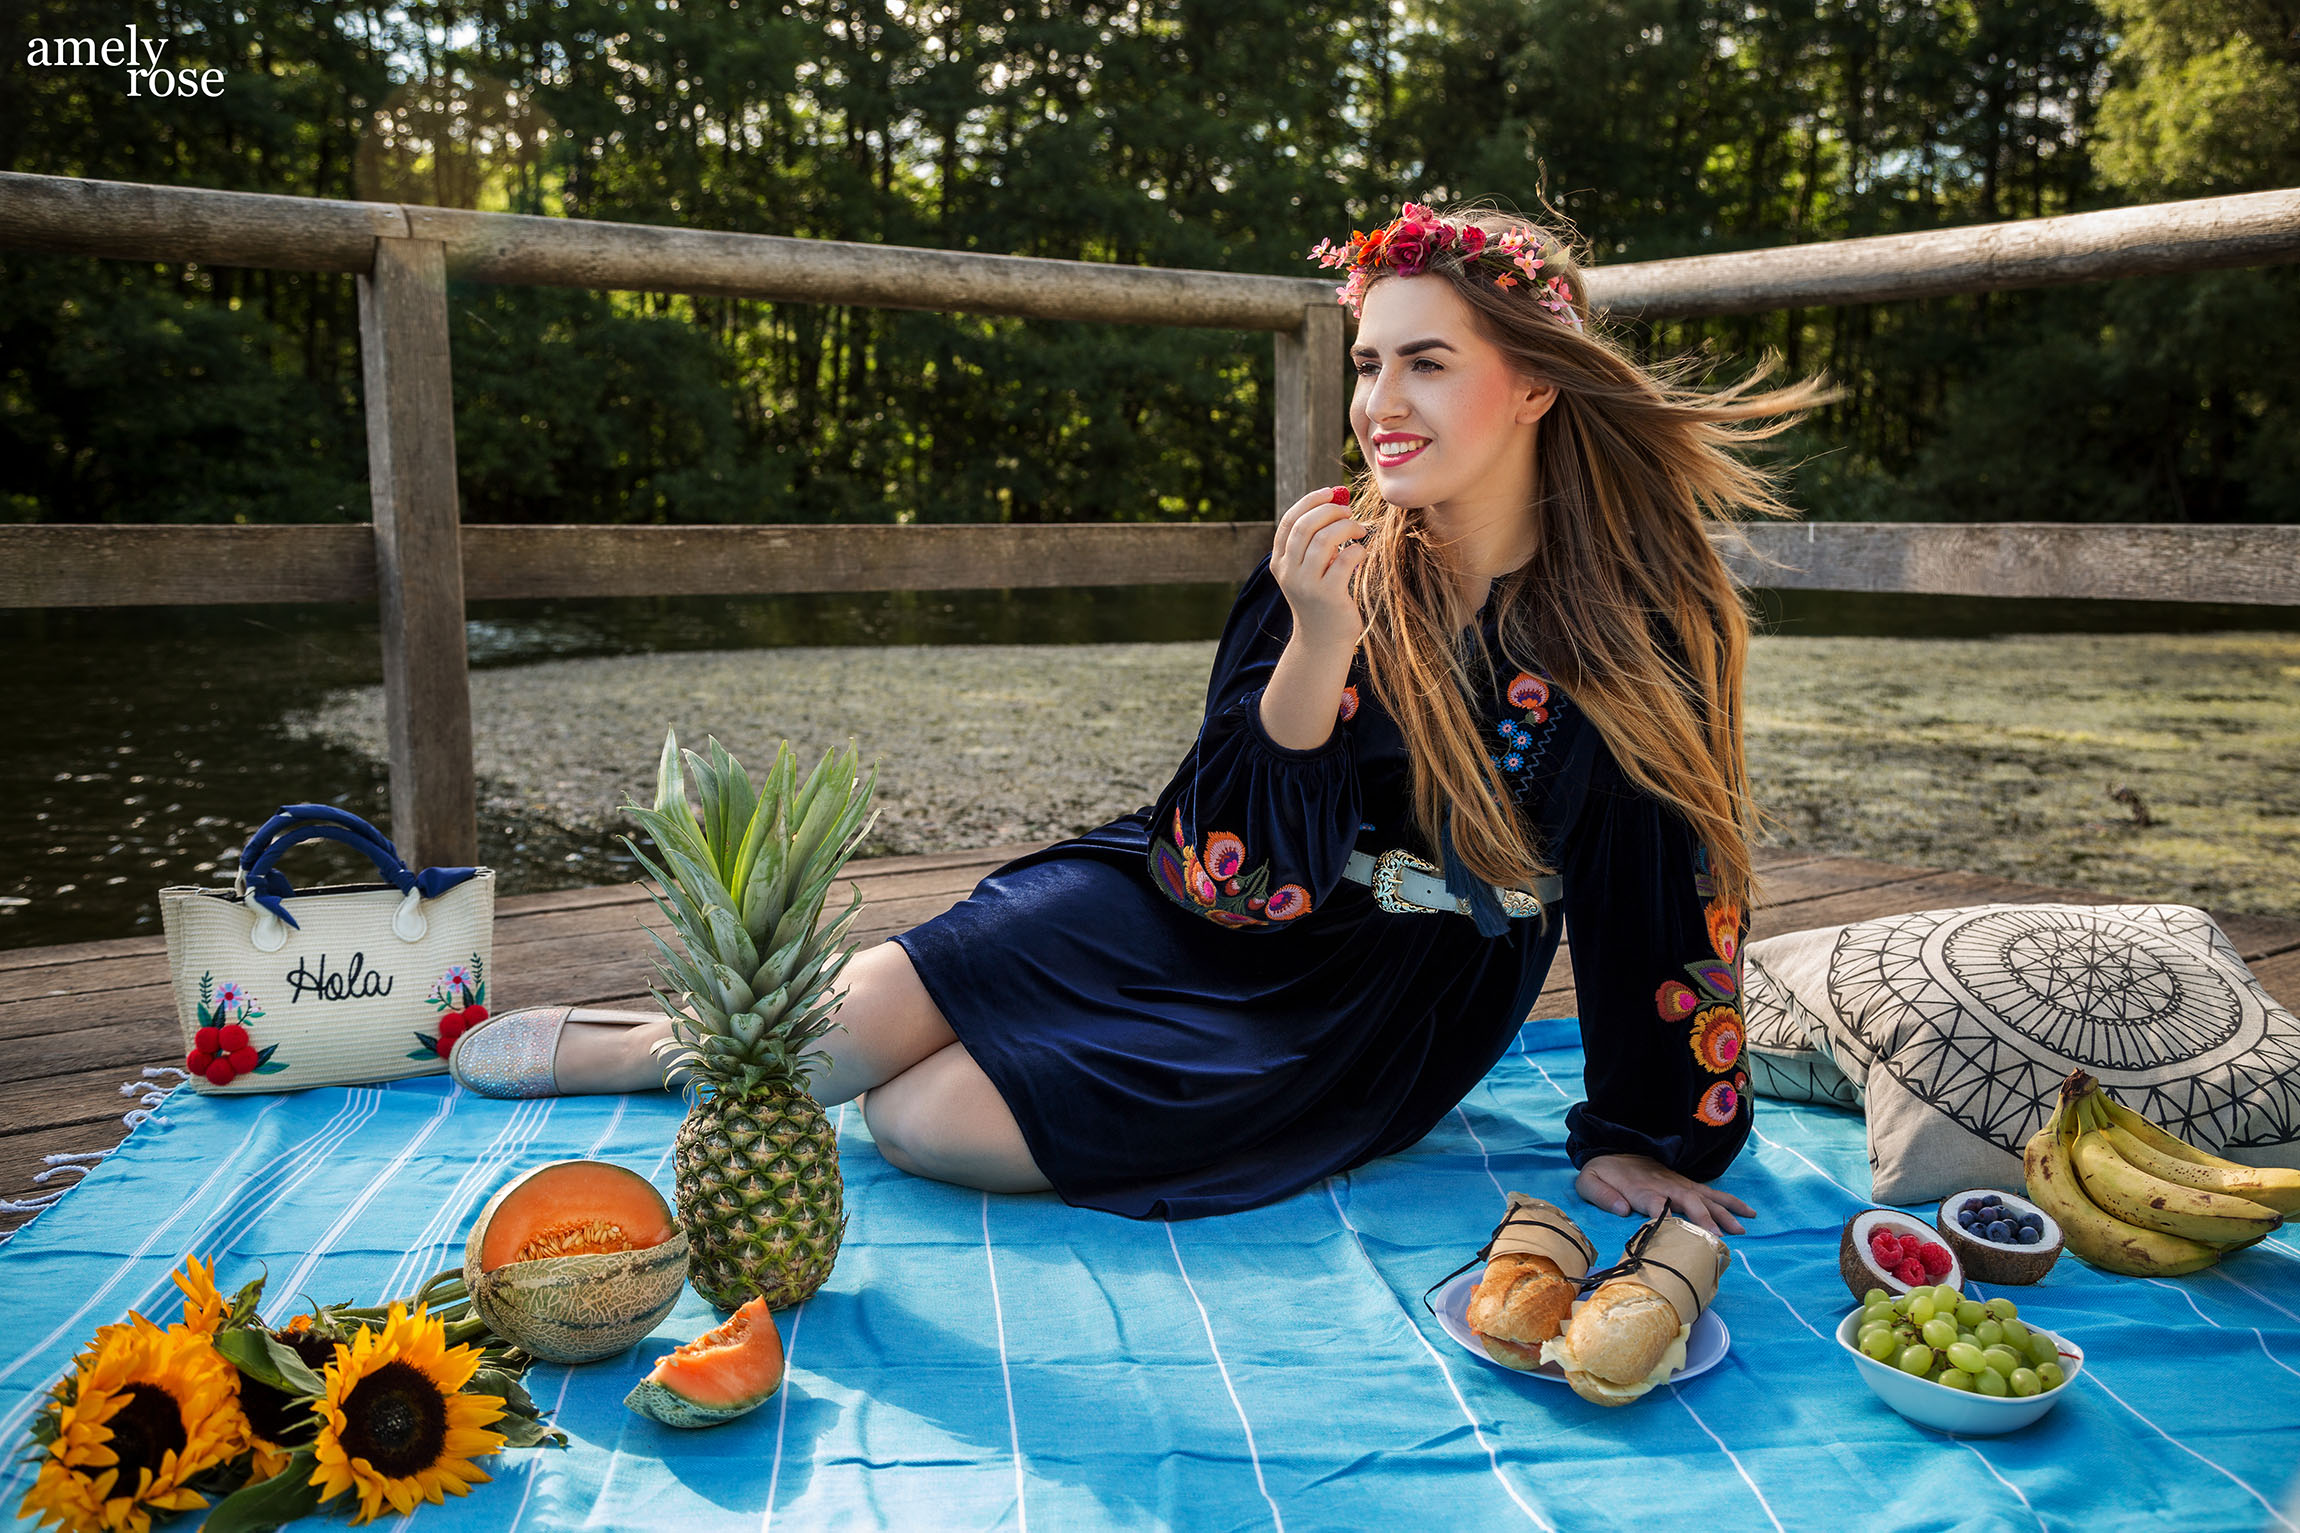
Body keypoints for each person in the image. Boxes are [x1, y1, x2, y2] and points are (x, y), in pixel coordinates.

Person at [451, 201, 1831, 1235]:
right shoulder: (1331, 551)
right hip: (1184, 889)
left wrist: (1646, 1129)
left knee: (918, 1120)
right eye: (1366, 366)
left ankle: (758, 1054)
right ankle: (640, 1044)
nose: (1378, 406)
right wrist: (1318, 641)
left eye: (1424, 364)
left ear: (1533, 381)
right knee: (819, 1045)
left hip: (1369, 997)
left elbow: (1665, 886)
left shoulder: (1636, 623)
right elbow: (1227, 844)